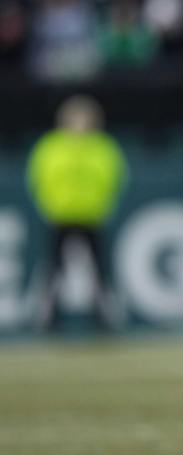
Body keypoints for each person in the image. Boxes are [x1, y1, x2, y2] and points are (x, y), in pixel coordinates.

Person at [26, 95, 128, 330]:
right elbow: (39, 178)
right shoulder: (51, 146)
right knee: (53, 269)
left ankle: (105, 317)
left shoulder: (103, 147)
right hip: (60, 216)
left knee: (99, 268)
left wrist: (104, 205)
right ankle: (48, 318)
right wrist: (49, 205)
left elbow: (114, 178)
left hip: (92, 216)